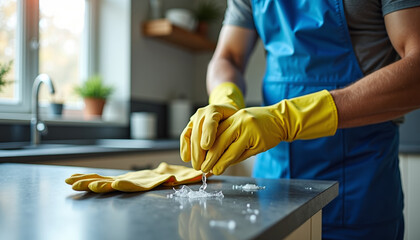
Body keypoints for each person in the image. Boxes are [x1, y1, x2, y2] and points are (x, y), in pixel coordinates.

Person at [180, 0, 420, 239]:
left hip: (360, 188)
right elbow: (228, 57)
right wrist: (225, 98)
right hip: (272, 184)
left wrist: (289, 119)